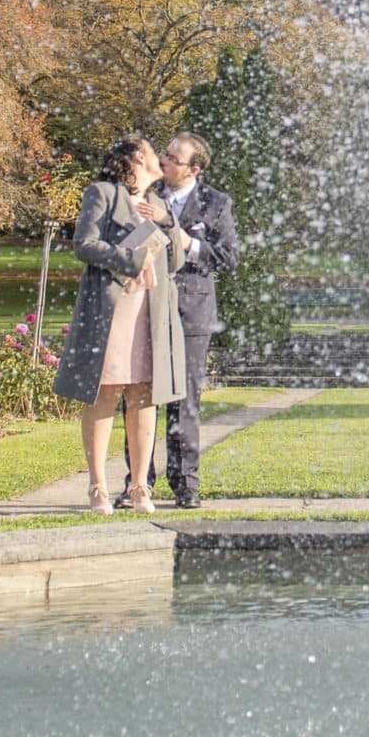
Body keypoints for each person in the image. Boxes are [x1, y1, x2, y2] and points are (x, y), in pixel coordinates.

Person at [51, 133, 191, 513]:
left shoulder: (159, 202)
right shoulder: (102, 193)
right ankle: (97, 487)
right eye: (150, 151)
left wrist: (168, 221)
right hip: (112, 308)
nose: (158, 157)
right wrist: (130, 259)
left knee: (144, 395)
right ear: (133, 160)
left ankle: (140, 486)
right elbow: (84, 244)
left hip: (150, 309)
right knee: (105, 392)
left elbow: (175, 261)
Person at [141, 131, 239, 508]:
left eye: (173, 158)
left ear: (194, 169)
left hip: (193, 310)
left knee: (185, 400)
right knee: (142, 395)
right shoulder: (147, 195)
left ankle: (186, 483)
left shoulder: (216, 203)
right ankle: (139, 481)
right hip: (147, 304)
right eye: (164, 154)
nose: (164, 161)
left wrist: (185, 241)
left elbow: (229, 258)